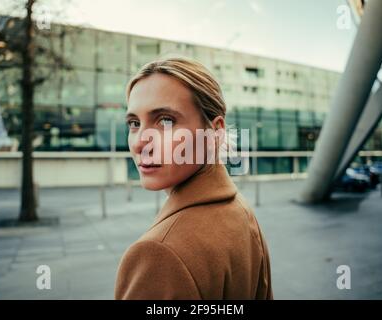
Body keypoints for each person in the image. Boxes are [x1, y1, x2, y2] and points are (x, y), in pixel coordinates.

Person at [115, 57, 273, 299]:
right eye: (134, 123)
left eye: (165, 121)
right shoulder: (240, 210)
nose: (139, 143)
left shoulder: (159, 254)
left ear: (215, 131)